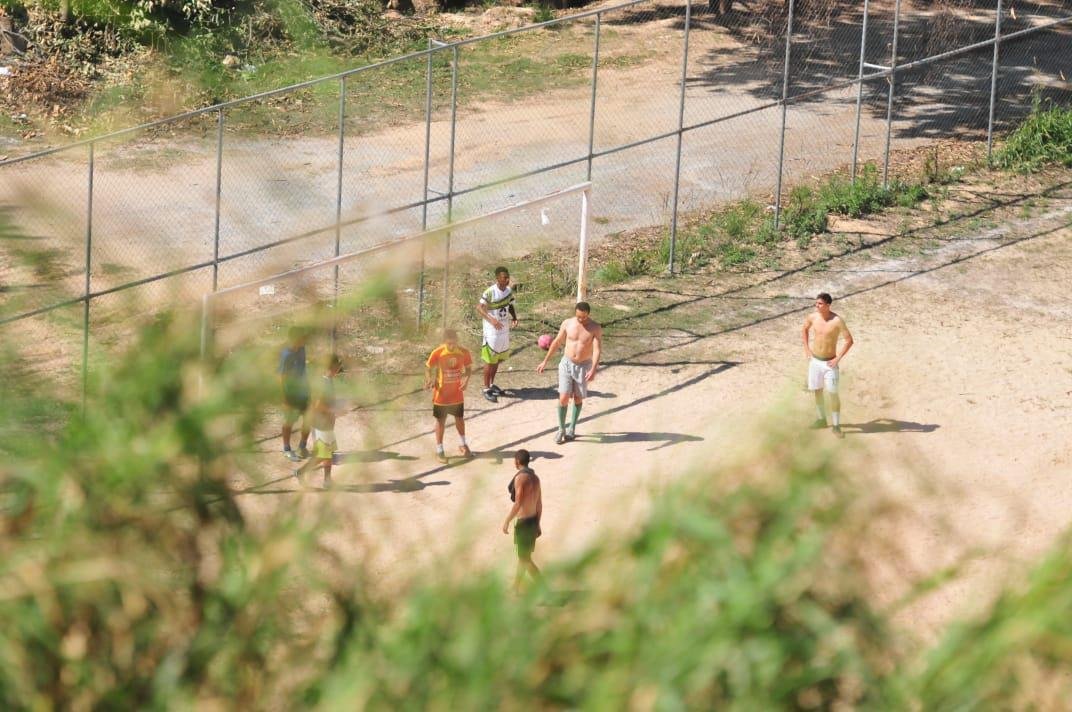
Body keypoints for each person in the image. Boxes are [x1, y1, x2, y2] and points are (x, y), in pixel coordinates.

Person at [536, 301, 603, 445]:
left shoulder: (595, 328)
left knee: (578, 399)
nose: (581, 319)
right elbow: (557, 342)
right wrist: (545, 361)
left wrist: (593, 369)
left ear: (588, 314)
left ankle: (572, 427)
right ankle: (561, 429)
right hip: (566, 363)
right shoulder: (567, 323)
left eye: (584, 317)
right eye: (579, 316)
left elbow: (597, 349)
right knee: (563, 398)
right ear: (575, 313)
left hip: (583, 366)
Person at [802, 292, 854, 438]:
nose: (817, 306)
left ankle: (836, 426)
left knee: (833, 393)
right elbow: (804, 329)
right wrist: (806, 349)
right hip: (815, 361)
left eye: (820, 304)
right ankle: (821, 420)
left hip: (830, 363)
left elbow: (849, 340)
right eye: (816, 303)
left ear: (828, 305)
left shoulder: (837, 321)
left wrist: (838, 358)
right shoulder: (813, 317)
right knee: (817, 391)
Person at [294, 353, 344, 488]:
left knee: (327, 453)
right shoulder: (324, 383)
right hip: (321, 423)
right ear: (333, 366)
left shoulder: (327, 380)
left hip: (324, 422)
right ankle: (301, 472)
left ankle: (327, 481)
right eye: (338, 365)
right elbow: (318, 405)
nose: (339, 367)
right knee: (323, 454)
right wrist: (334, 411)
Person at [425, 328, 474, 463]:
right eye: (449, 343)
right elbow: (428, 368)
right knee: (441, 421)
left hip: (456, 393)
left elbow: (469, 369)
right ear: (444, 342)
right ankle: (440, 450)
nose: (452, 346)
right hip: (441, 394)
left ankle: (463, 444)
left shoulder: (464, 352)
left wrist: (466, 381)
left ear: (457, 341)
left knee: (459, 419)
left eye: (454, 343)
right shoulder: (438, 352)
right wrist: (429, 380)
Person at [502, 449, 542, 592]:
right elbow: (539, 504)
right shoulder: (536, 478)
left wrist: (507, 520)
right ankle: (516, 587)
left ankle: (544, 588)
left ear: (517, 461)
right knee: (523, 557)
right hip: (533, 521)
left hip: (523, 524)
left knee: (525, 559)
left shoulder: (520, 478)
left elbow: (518, 503)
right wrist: (538, 524)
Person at [477, 266, 518, 403]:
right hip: (492, 332)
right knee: (489, 360)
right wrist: (492, 320)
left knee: (497, 359)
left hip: (504, 330)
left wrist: (514, 317)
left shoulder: (508, 291)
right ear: (497, 278)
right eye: (504, 277)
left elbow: (510, 304)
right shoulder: (490, 292)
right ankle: (486, 388)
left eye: (508, 277)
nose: (507, 280)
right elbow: (479, 308)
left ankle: (491, 384)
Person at [278, 326, 310, 462]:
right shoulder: (286, 355)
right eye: (303, 337)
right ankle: (286, 449)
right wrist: (284, 399)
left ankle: (302, 447)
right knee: (289, 421)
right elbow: (281, 378)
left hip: (304, 392)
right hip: (291, 394)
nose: (305, 339)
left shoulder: (302, 349)